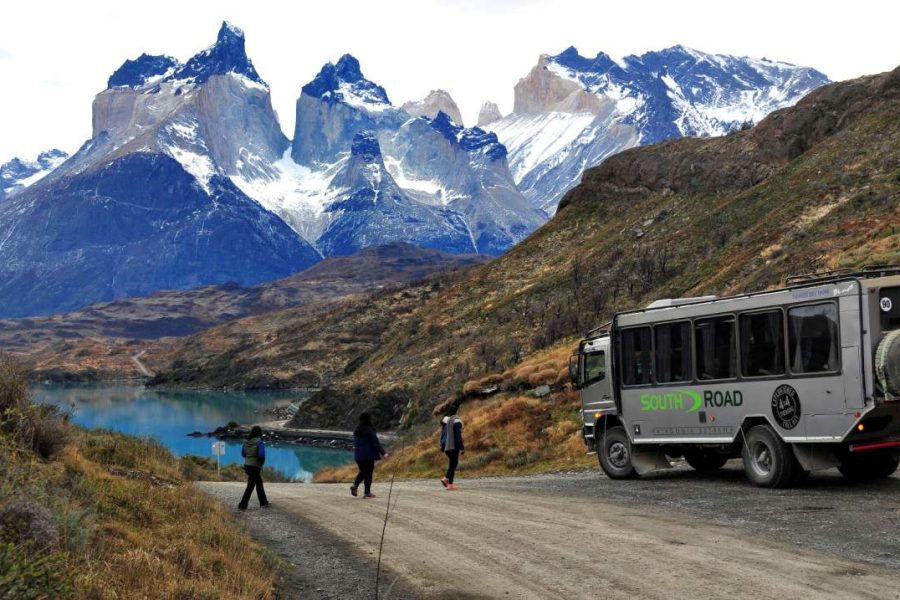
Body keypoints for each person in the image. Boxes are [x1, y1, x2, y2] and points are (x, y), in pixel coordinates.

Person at [351, 412, 387, 499]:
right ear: (369, 420)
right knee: (368, 473)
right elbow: (375, 443)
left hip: (358, 456)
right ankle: (367, 492)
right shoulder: (369, 430)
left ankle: (355, 486)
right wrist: (383, 453)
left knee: (363, 472)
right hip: (368, 456)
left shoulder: (357, 431)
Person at [238, 425, 269, 510]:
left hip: (247, 466)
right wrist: (261, 463)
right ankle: (244, 504)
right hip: (255, 466)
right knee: (255, 484)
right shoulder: (260, 442)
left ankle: (245, 504)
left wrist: (250, 456)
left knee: (254, 484)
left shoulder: (246, 442)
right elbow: (262, 455)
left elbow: (243, 454)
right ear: (260, 433)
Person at [440, 405, 464, 490]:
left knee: (453, 463)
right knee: (453, 464)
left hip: (445, 445)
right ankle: (450, 484)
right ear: (456, 412)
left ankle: (446, 479)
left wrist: (442, 445)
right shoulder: (456, 421)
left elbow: (442, 434)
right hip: (453, 446)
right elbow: (458, 436)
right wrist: (461, 448)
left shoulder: (444, 421)